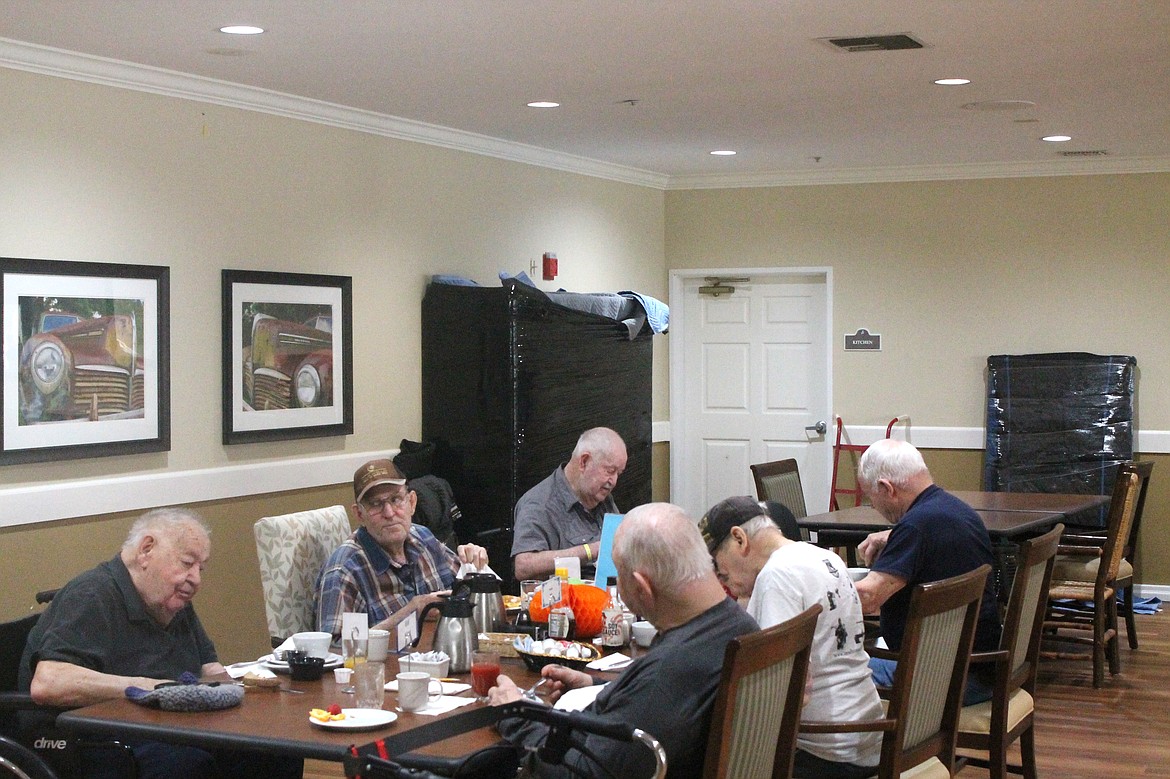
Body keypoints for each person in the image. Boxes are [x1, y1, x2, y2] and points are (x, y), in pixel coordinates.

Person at [19, 507, 302, 779]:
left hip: (160, 727)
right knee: (187, 764)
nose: (196, 579)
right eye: (187, 563)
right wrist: (147, 687)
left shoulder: (171, 602)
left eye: (201, 568)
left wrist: (245, 698)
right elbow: (49, 682)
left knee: (273, 750)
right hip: (88, 741)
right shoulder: (92, 595)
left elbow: (210, 669)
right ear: (146, 549)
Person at [489, 502, 759, 779]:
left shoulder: (667, 674)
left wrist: (515, 714)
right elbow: (669, 704)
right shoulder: (740, 626)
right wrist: (597, 685)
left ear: (642, 588)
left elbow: (581, 774)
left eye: (619, 576)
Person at [701, 496, 882, 778]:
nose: (720, 579)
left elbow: (776, 691)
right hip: (865, 735)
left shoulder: (777, 577)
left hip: (824, 751)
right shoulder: (823, 556)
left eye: (718, 567)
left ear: (739, 539)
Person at [852, 439, 1000, 704]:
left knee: (832, 678)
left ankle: (854, 744)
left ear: (887, 488)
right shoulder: (955, 510)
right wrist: (893, 535)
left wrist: (821, 579)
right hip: (981, 667)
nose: (873, 506)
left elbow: (868, 598)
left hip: (941, 678)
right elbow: (931, 536)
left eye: (870, 497)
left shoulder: (915, 527)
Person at [315, 458, 489, 638]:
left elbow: (468, 591)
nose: (389, 513)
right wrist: (409, 612)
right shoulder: (345, 571)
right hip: (386, 665)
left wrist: (476, 565)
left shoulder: (423, 539)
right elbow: (333, 649)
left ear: (412, 502)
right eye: (376, 504)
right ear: (360, 514)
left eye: (396, 499)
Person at [511, 427, 627, 581]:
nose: (613, 481)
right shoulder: (539, 504)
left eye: (618, 473)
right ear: (584, 462)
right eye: (609, 471)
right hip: (563, 601)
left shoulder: (603, 497)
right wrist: (590, 551)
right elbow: (523, 566)